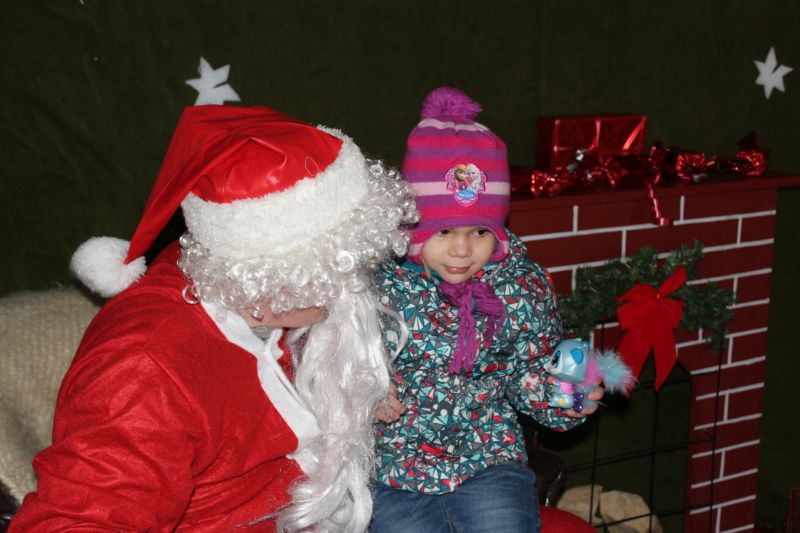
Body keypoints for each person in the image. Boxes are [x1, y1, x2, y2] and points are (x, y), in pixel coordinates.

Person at [9, 104, 417, 532]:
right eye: (341, 269)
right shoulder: (146, 368)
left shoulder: (253, 293)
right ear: (275, 275)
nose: (357, 281)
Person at [370, 88, 603, 533]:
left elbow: (527, 371)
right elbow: (338, 360)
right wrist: (368, 392)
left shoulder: (518, 288)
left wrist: (562, 399)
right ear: (412, 230)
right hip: (395, 465)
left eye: (479, 231)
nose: (462, 249)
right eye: (443, 232)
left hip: (488, 458)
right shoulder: (379, 288)